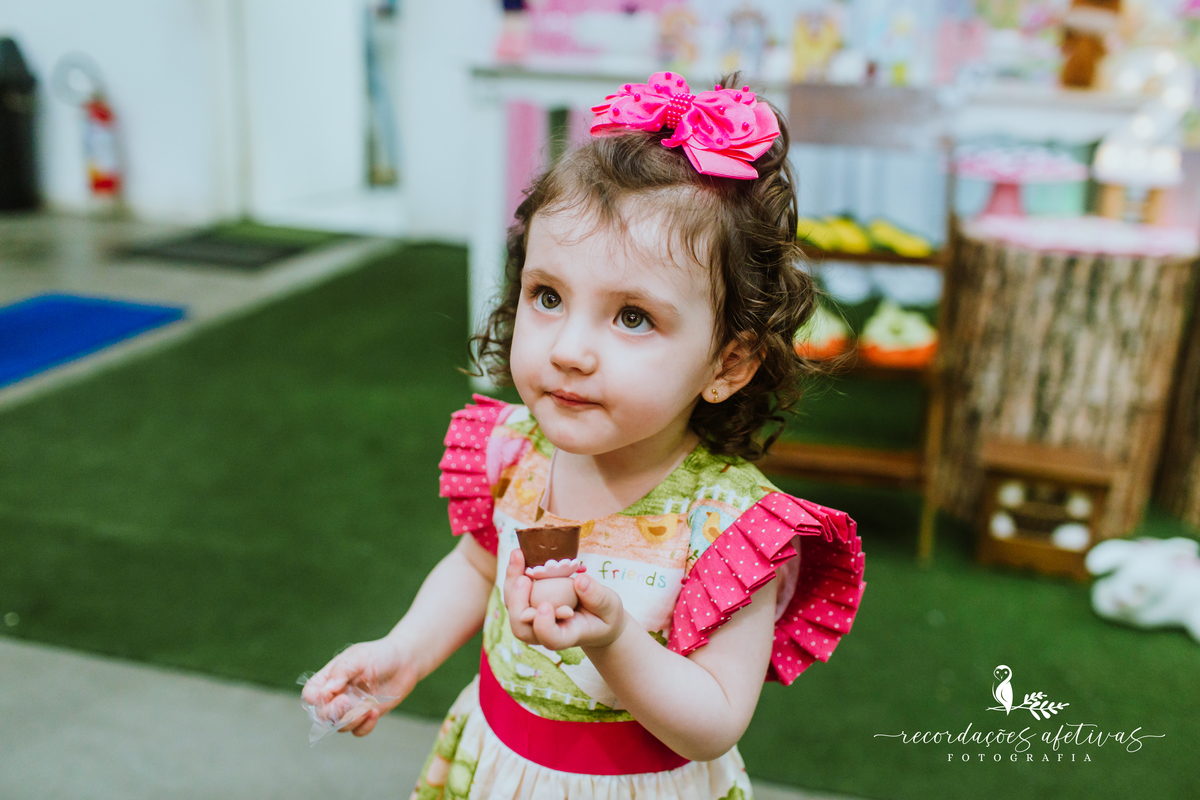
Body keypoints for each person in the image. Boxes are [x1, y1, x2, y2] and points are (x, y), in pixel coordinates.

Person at [301, 72, 866, 800]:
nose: (569, 348)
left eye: (633, 316)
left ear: (728, 362)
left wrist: (615, 641)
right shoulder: (518, 450)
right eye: (548, 296)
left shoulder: (731, 530)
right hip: (498, 764)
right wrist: (404, 652)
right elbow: (478, 570)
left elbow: (716, 718)